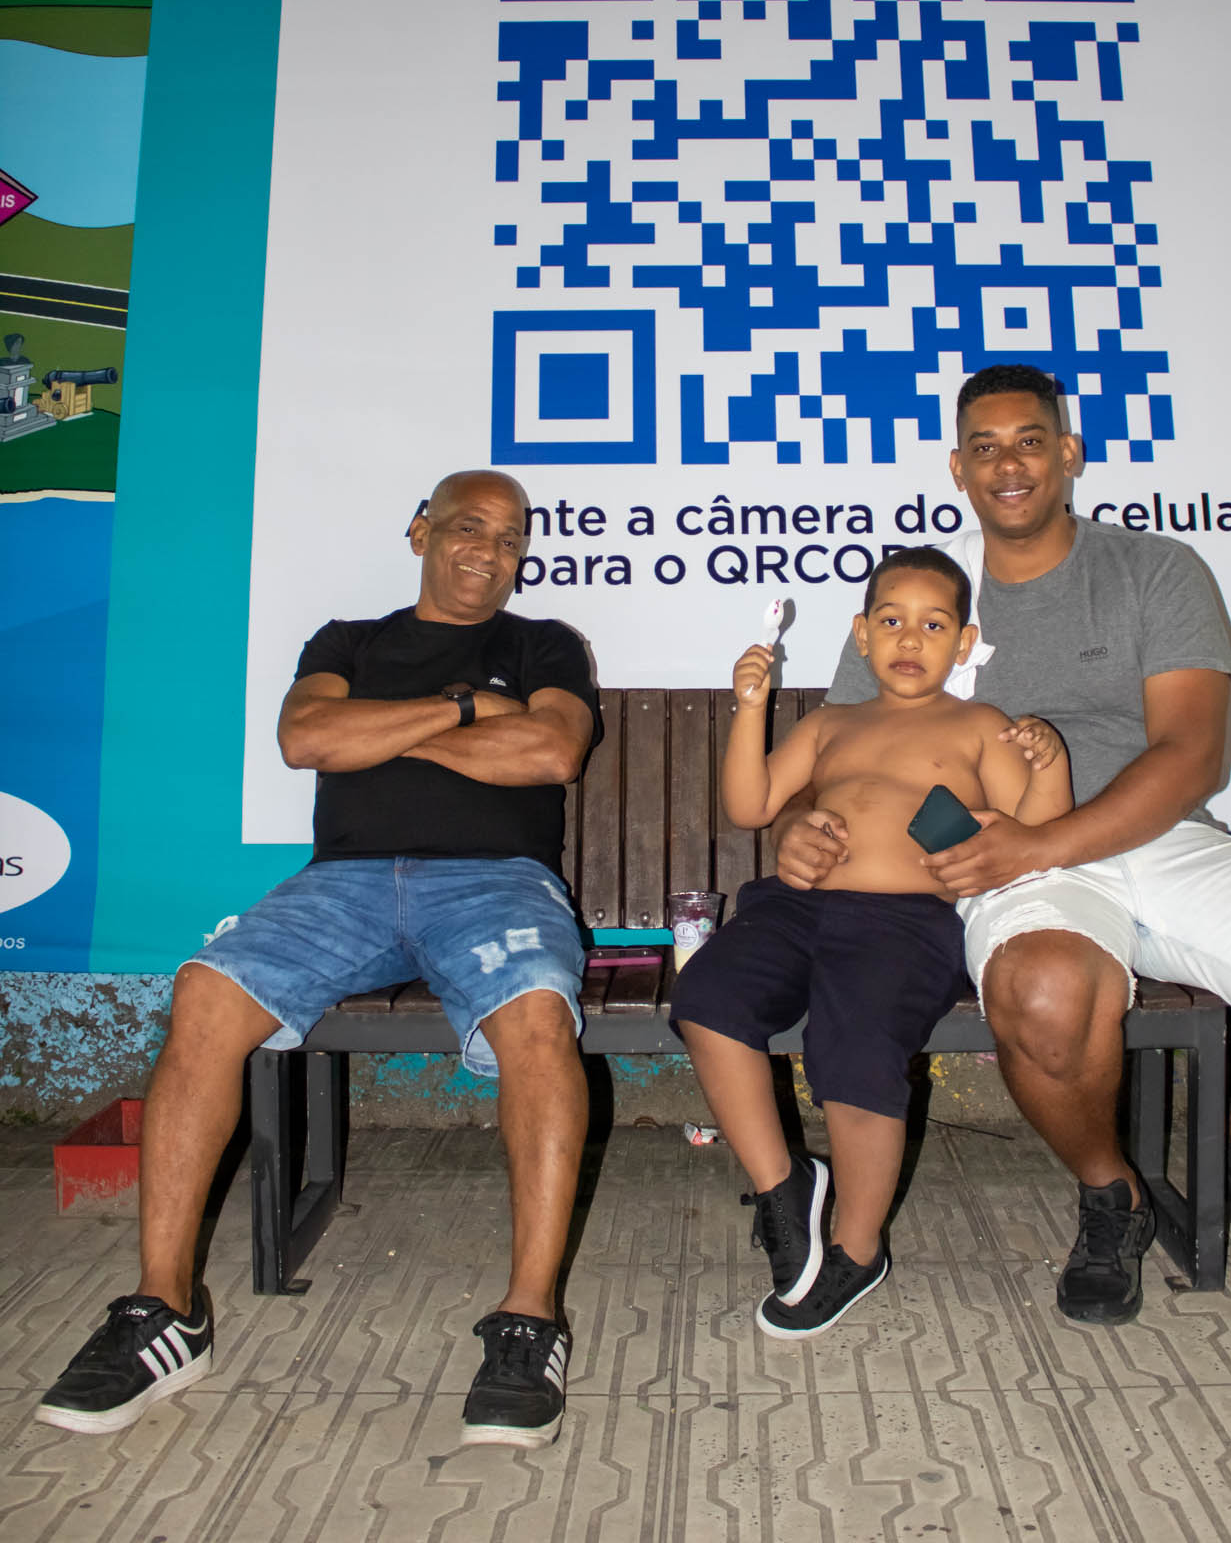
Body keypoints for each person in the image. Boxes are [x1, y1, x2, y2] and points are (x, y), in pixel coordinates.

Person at [779, 364, 1231, 1326]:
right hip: (1001, 857)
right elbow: (840, 757)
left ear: (1068, 453)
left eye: (1030, 440)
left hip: (1155, 837)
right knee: (1046, 995)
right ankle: (1112, 1193)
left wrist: (1048, 843)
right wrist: (803, 823)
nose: (1009, 464)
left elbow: (1192, 755)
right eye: (984, 447)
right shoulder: (927, 593)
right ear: (957, 468)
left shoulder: (1156, 569)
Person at [37, 470, 599, 1448]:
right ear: (421, 530)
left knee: (538, 1017)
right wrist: (466, 710)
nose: (490, 550)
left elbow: (550, 754)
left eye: (511, 537)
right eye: (470, 526)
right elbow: (306, 738)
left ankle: (528, 1320)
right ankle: (166, 1309)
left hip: (494, 882)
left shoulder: (543, 644)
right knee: (205, 992)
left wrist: (382, 735)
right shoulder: (347, 641)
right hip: (342, 885)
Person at [669, 547, 1071, 1338]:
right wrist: (751, 706)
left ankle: (857, 1248)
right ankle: (782, 1185)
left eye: (934, 625)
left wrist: (1047, 762)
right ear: (861, 634)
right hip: (796, 905)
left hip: (906, 924)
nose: (910, 639)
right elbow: (751, 805)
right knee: (706, 998)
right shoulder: (831, 723)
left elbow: (1038, 831)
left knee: (855, 1050)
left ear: (965, 642)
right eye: (891, 621)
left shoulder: (979, 725)